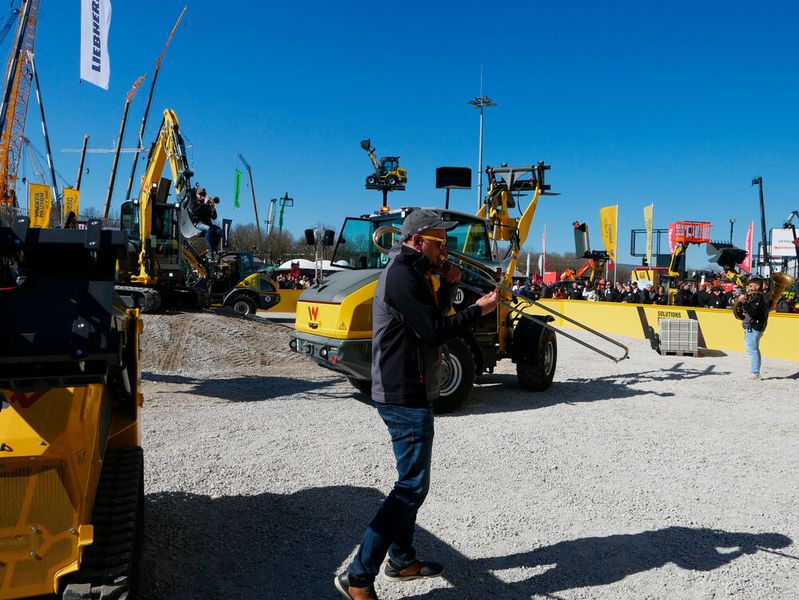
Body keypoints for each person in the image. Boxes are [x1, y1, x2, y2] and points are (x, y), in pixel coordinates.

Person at [335, 209, 498, 600]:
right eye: (440, 242)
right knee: (411, 487)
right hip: (404, 391)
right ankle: (358, 576)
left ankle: (402, 559)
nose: (446, 249)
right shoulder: (403, 275)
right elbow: (433, 331)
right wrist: (479, 309)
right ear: (418, 240)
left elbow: (429, 317)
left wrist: (447, 288)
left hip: (411, 387)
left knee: (409, 482)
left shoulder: (418, 272)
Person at [738, 278, 769, 380]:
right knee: (753, 349)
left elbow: (754, 313)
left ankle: (755, 373)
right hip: (754, 326)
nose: (749, 287)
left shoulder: (759, 298)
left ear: (758, 286)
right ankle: (755, 372)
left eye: (751, 286)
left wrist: (744, 303)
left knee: (752, 350)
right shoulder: (755, 297)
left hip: (754, 326)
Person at [189, 186, 223, 255]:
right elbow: (195, 212)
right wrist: (204, 203)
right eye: (200, 194)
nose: (202, 196)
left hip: (208, 224)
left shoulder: (207, 204)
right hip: (198, 224)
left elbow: (214, 217)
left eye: (204, 194)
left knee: (220, 231)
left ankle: (212, 250)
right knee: (208, 229)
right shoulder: (193, 202)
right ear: (196, 194)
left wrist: (213, 208)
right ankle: (213, 251)